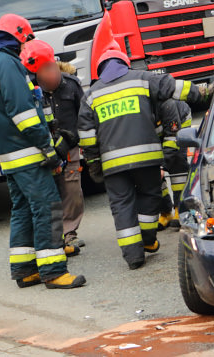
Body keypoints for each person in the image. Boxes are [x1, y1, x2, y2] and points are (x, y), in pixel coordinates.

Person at [0, 14, 85, 289]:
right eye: (26, 39)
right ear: (17, 35)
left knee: (23, 209)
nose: (27, 46)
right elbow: (23, 112)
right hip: (26, 152)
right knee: (47, 206)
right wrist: (47, 145)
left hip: (10, 155)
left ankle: (25, 270)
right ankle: (53, 271)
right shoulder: (8, 64)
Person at [77, 43, 204, 270]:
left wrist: (94, 165)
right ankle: (147, 239)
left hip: (112, 164)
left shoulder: (91, 95)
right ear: (124, 64)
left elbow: (87, 138)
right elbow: (172, 87)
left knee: (121, 205)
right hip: (147, 159)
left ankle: (133, 256)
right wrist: (201, 92)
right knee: (150, 195)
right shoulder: (142, 79)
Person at [20, 39, 86, 249]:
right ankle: (53, 235)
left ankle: (70, 233)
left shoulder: (71, 85)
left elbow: (84, 116)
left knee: (72, 190)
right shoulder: (27, 91)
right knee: (49, 192)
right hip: (42, 149)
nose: (53, 81)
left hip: (70, 145)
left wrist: (73, 140)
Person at [157, 99, 193, 230]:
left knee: (177, 164)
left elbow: (172, 139)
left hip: (179, 123)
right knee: (152, 169)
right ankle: (165, 212)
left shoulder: (169, 105)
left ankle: (181, 209)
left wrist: (162, 166)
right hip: (157, 132)